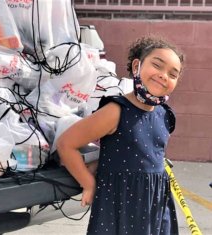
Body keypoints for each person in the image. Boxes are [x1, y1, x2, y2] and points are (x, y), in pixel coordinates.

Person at [56, 36, 184, 235]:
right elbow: (66, 144)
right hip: (120, 205)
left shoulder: (165, 115)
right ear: (136, 66)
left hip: (156, 204)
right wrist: (88, 184)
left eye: (173, 74)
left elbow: (137, 151)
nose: (164, 75)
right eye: (157, 66)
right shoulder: (116, 111)